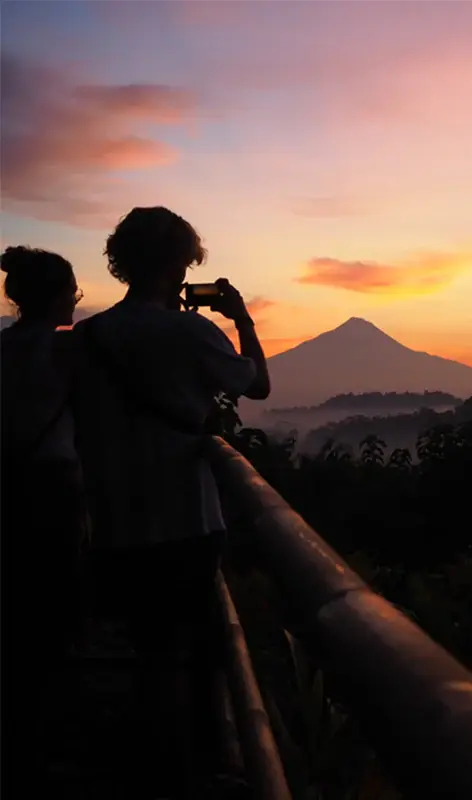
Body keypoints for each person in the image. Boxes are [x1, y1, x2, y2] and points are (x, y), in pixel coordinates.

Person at [72, 206, 270, 798]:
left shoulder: (87, 337)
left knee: (144, 650)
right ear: (183, 263)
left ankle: (154, 764)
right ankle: (183, 773)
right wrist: (242, 319)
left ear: (121, 260)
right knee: (184, 654)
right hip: (184, 516)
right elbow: (256, 384)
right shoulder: (190, 332)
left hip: (111, 520)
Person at [0, 246, 89, 782]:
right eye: (73, 292)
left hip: (7, 486)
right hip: (54, 487)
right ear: (57, 296)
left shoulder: (1, 349)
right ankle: (47, 737)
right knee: (57, 606)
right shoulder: (68, 352)